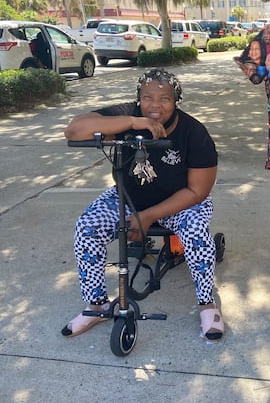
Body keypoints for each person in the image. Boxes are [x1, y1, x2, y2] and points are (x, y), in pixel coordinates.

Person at [62, 68, 224, 341]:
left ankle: (208, 304)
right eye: (147, 97)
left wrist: (148, 216)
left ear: (176, 102)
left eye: (164, 98)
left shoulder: (194, 133)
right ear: (138, 99)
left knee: (197, 233)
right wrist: (131, 122)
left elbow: (198, 190)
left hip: (180, 203)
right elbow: (74, 130)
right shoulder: (128, 114)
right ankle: (97, 303)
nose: (155, 105)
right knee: (87, 227)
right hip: (129, 198)